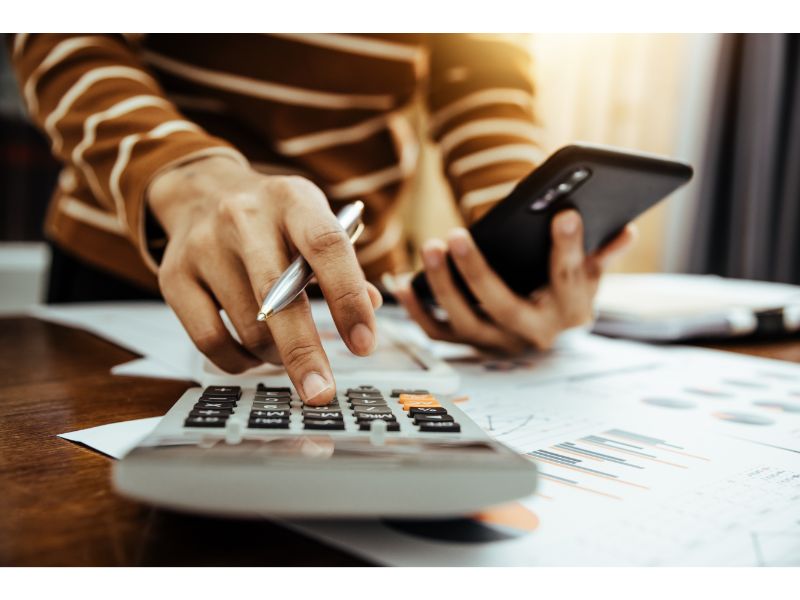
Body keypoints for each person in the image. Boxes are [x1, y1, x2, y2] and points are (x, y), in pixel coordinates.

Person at [9, 34, 635, 406]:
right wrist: (183, 173)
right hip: (131, 261)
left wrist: (521, 239)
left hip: (356, 286)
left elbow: (482, 76)